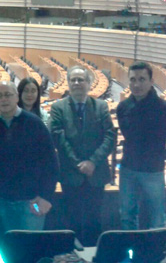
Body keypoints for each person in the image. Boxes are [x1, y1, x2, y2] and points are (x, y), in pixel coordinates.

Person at [0, 82, 58, 234]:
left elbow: (51, 163)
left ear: (16, 97)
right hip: (4, 201)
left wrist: (45, 197)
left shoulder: (35, 124)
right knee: (12, 248)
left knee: (31, 249)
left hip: (33, 201)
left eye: (8, 95)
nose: (4, 99)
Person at [49, 66, 116, 246]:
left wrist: (92, 162)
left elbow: (110, 136)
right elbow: (58, 138)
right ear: (68, 83)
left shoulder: (101, 106)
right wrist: (79, 164)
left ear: (89, 84)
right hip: (71, 174)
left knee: (95, 219)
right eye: (73, 80)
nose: (77, 83)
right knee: (71, 219)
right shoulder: (57, 107)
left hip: (97, 174)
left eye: (81, 80)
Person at [117, 61, 166, 230]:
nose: (137, 84)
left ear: (151, 81)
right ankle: (130, 251)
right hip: (128, 170)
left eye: (142, 79)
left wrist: (158, 157)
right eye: (133, 79)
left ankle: (156, 253)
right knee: (127, 216)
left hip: (153, 172)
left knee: (157, 218)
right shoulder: (123, 107)